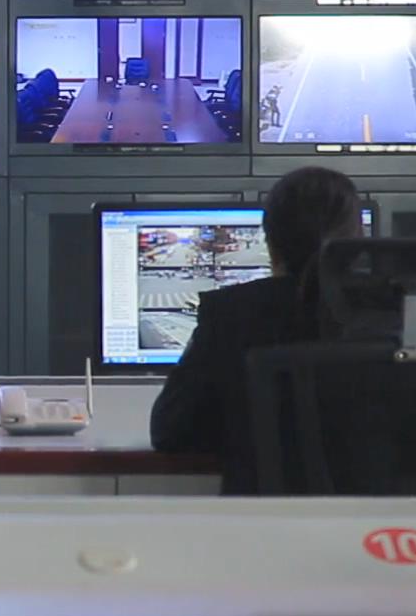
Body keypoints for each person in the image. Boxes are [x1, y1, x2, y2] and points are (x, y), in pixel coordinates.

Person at [150, 166, 364, 493]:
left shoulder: (230, 314)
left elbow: (171, 432)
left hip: (258, 519)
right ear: (358, 243)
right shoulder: (397, 313)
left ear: (271, 244)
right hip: (384, 521)